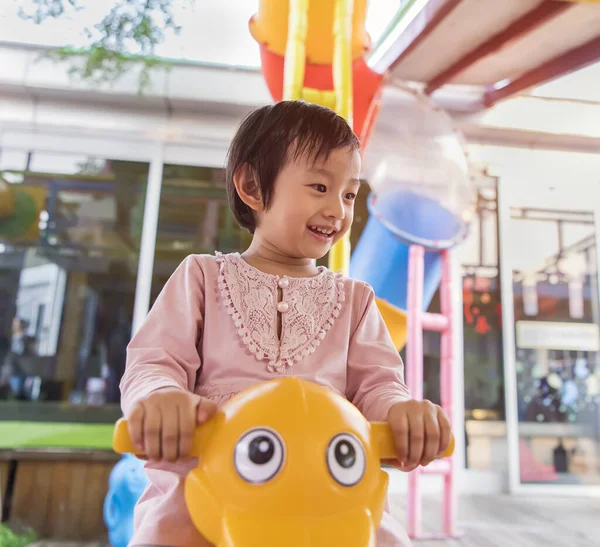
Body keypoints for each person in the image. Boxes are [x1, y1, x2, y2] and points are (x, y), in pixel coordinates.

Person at [120, 101, 452, 546]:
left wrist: (402, 414)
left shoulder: (355, 300)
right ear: (252, 186)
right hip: (210, 491)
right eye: (320, 186)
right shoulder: (201, 277)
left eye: (350, 194)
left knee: (387, 539)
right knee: (165, 536)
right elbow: (154, 362)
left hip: (331, 494)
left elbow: (379, 385)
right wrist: (161, 399)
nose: (338, 209)